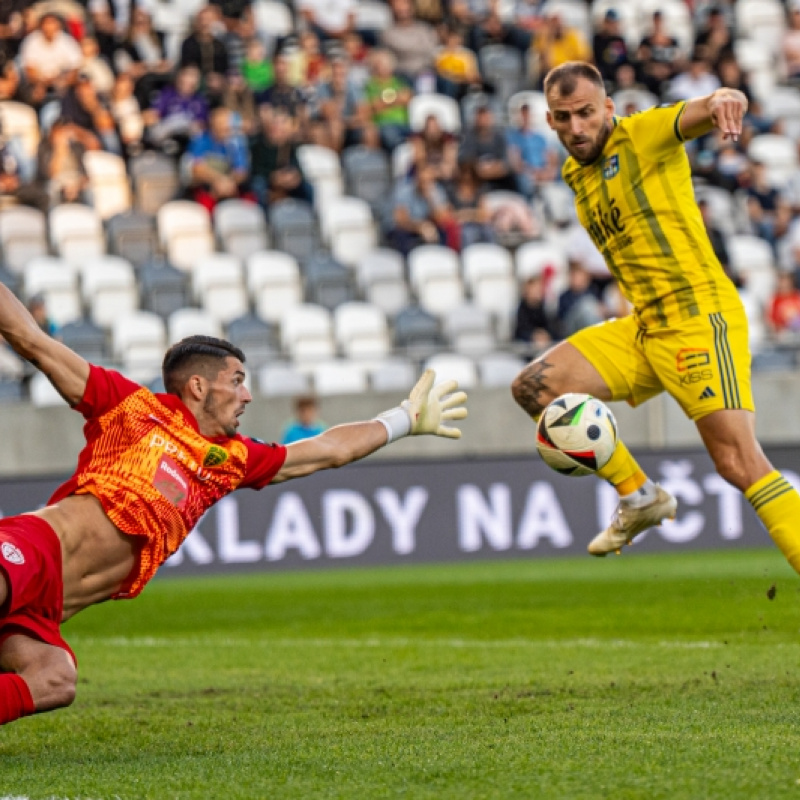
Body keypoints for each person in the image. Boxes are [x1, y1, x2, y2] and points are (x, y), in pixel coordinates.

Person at [0, 288, 468, 727]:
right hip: (33, 550)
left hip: (47, 608)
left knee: (54, 680)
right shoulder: (133, 408)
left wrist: (402, 420)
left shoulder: (233, 460)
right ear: (199, 387)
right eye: (237, 381)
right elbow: (33, 341)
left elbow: (328, 449)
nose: (247, 395)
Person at [511, 60, 800, 575]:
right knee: (534, 387)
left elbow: (700, 110)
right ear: (549, 121)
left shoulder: (641, 135)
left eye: (585, 113)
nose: (577, 127)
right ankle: (640, 495)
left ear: (608, 109)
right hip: (645, 329)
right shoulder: (575, 174)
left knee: (738, 462)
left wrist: (724, 99)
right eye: (563, 117)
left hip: (696, 318)